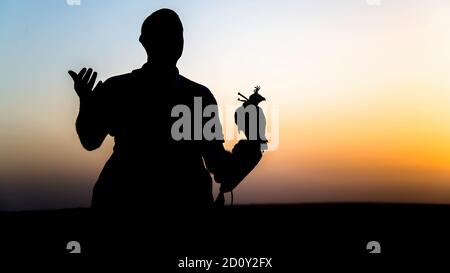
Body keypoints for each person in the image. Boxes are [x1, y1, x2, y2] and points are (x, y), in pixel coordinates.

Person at [68, 8, 264, 211]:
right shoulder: (197, 96)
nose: (177, 40)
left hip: (122, 201)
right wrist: (254, 138)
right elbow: (223, 169)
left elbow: (90, 140)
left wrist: (87, 104)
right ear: (146, 42)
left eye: (179, 34)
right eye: (172, 34)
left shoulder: (119, 88)